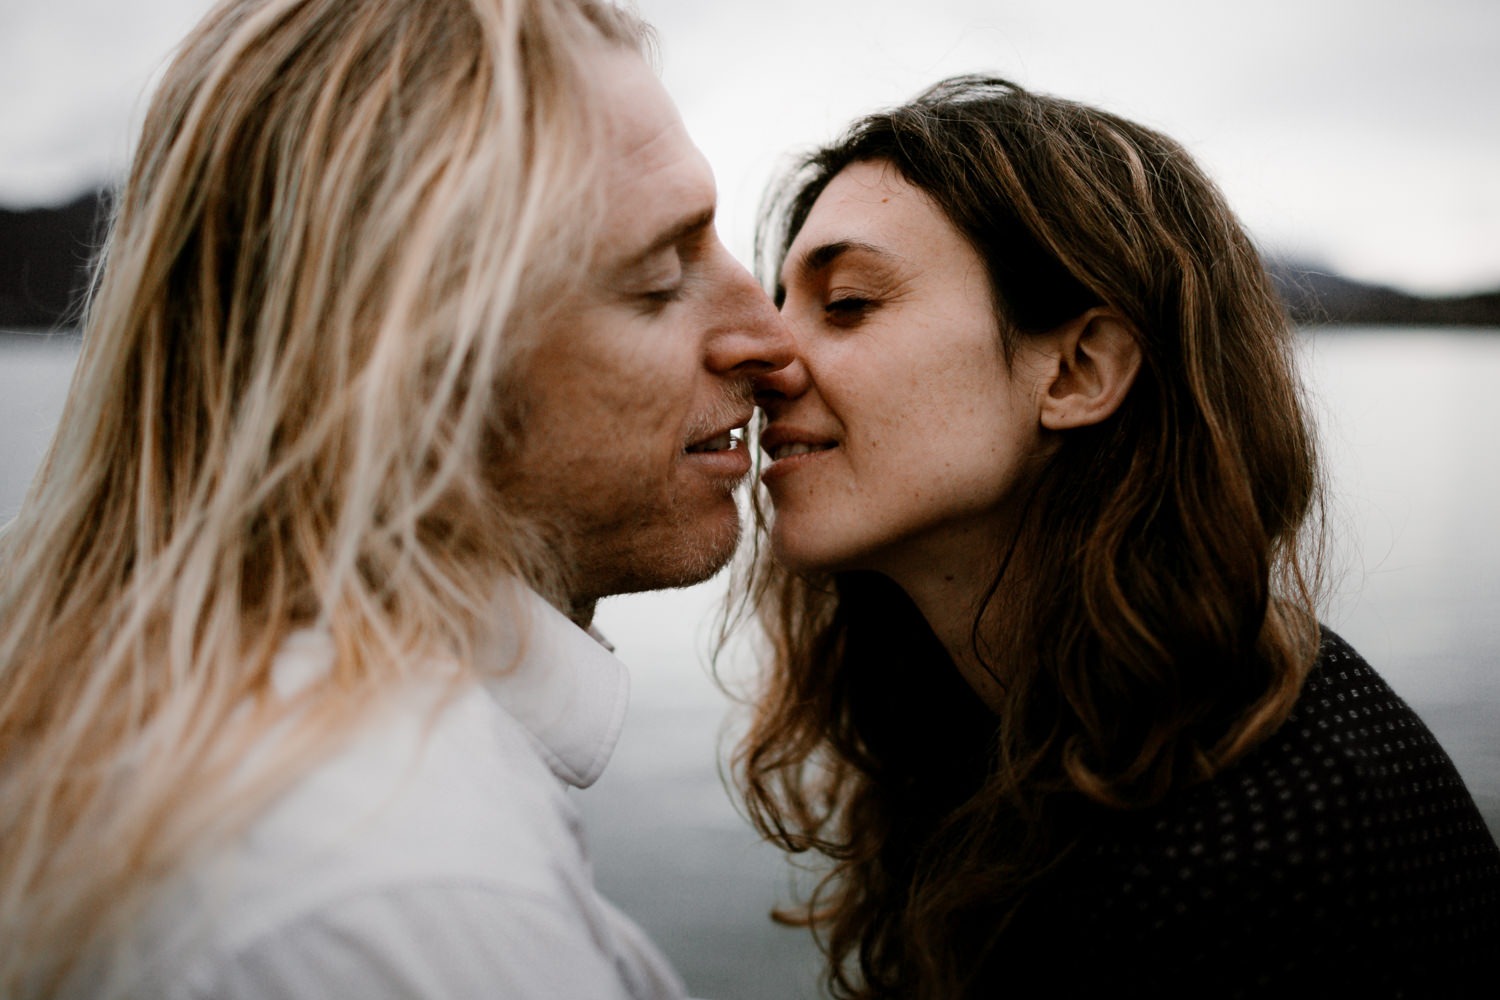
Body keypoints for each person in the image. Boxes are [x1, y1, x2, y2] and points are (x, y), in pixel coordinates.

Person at [0, 1, 793, 997]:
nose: (770, 338)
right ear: (413, 369)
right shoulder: (415, 901)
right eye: (658, 276)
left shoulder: (147, 714)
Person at [734, 75, 1500, 999]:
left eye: (848, 302)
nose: (762, 358)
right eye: (778, 301)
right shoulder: (1001, 733)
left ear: (1079, 369)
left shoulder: (1261, 857)